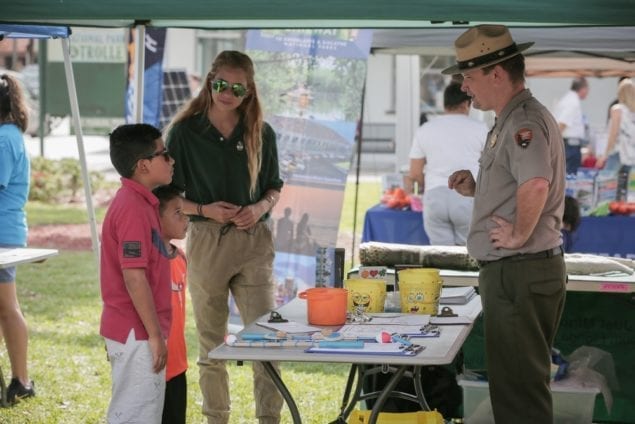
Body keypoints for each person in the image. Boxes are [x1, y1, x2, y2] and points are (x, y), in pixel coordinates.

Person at [445, 25, 567, 424]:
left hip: (519, 270)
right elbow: (522, 184)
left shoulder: (522, 122)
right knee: (517, 387)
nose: (465, 87)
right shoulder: (511, 118)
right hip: (517, 271)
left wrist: (517, 235)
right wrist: (479, 190)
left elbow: (535, 183)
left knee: (519, 394)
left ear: (497, 74)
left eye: (469, 76)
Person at [165, 50, 284, 424]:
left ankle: (271, 420)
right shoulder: (185, 132)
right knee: (211, 345)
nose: (227, 92)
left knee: (265, 342)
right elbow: (169, 198)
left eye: (237, 88)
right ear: (209, 81)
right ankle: (216, 419)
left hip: (253, 242)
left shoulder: (261, 132)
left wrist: (260, 207)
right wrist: (205, 210)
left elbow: (274, 187)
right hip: (206, 240)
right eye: (220, 84)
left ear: (249, 91)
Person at [100, 123, 174, 423]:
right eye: (164, 154)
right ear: (144, 165)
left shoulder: (141, 203)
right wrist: (154, 335)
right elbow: (134, 276)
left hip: (138, 331)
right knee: (136, 415)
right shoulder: (131, 206)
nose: (171, 160)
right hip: (137, 332)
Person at [408, 81, 487, 245]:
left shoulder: (425, 129)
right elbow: (491, 165)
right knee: (468, 254)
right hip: (468, 196)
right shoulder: (481, 128)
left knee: (440, 255)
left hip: (434, 196)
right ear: (467, 103)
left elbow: (415, 173)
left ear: (444, 104)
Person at [0, 72, 35, 404]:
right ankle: (20, 380)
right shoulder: (7, 135)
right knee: (6, 307)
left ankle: (21, 380)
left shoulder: (4, 139)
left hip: (2, 235)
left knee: (7, 308)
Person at [152, 185, 190, 424]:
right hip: (153, 365)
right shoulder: (148, 262)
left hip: (177, 365)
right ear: (156, 217)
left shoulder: (181, 257)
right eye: (177, 212)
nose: (186, 218)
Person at [596, 78, 635, 172]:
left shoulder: (617, 109)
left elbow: (613, 134)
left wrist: (605, 154)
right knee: (628, 184)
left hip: (619, 153)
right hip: (632, 154)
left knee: (606, 182)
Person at [554, 76, 589, 175]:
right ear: (583, 89)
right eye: (587, 89)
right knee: (570, 177)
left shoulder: (568, 99)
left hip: (568, 145)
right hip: (570, 146)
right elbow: (562, 123)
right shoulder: (572, 102)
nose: (588, 93)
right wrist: (554, 142)